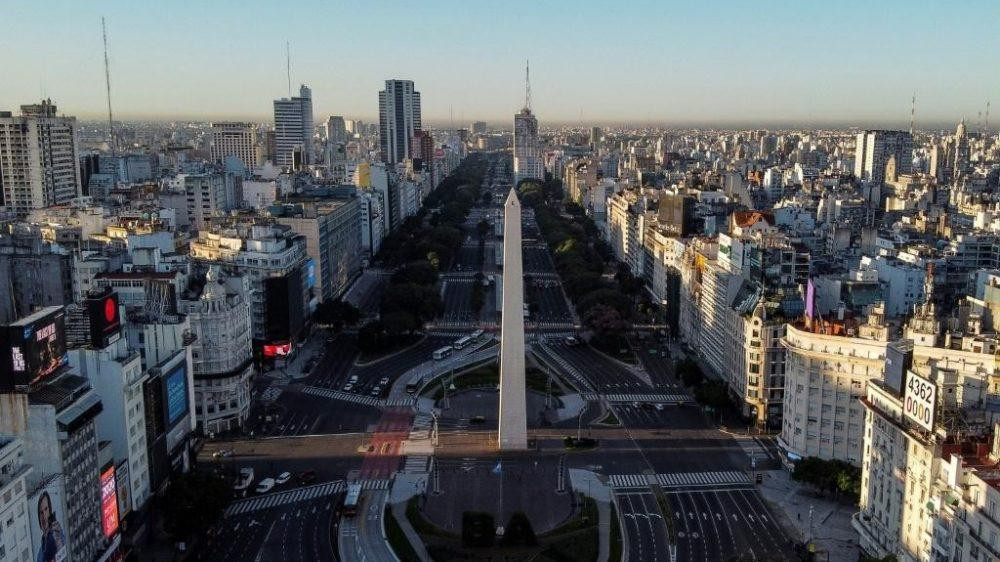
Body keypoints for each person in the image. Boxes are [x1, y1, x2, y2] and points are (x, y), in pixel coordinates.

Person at [36, 491, 66, 562]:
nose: (44, 516)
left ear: (50, 510)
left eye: (46, 509)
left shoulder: (59, 535)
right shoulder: (40, 553)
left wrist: (59, 542)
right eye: (41, 512)